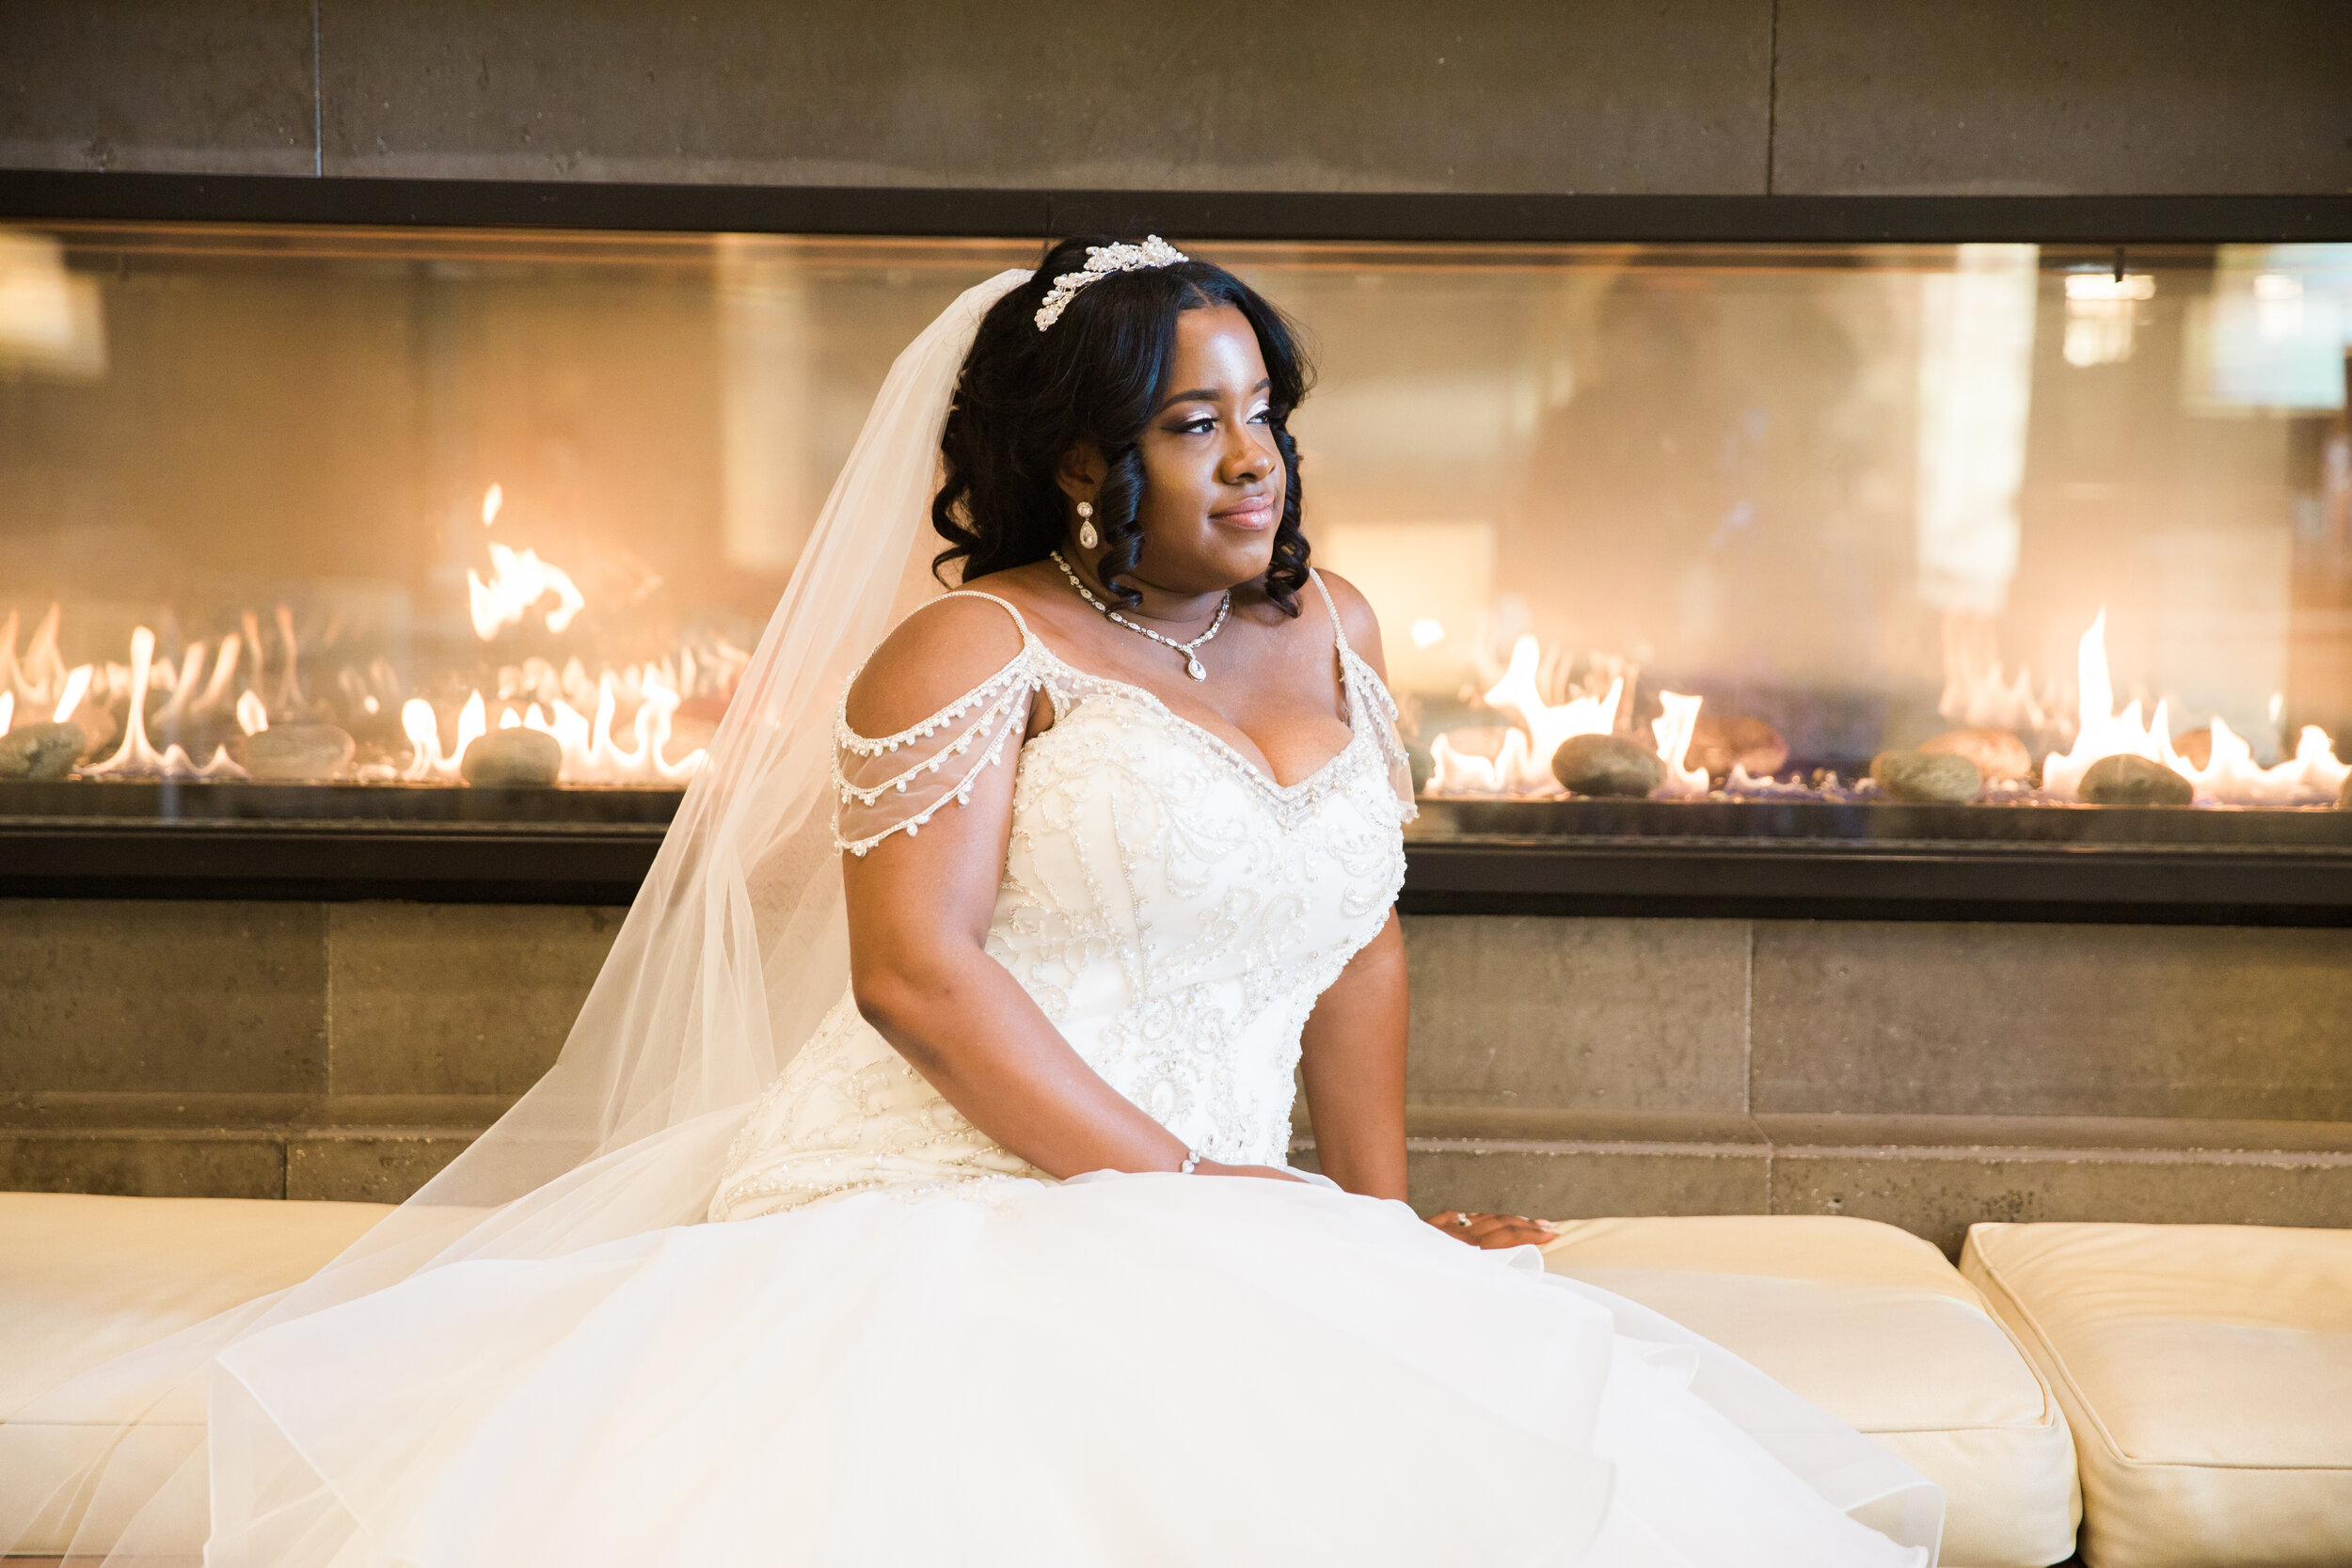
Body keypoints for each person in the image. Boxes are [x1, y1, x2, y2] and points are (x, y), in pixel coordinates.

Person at [5, 239, 1940, 1567]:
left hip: (1223, 1207)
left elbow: (1350, 932)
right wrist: (1196, 1203)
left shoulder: (1339, 634)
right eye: (1195, 425)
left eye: (1262, 410)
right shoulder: (964, 653)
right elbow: (920, 984)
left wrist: (1365, 1227)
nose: (1254, 459)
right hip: (943, 1198)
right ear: (1076, 460)